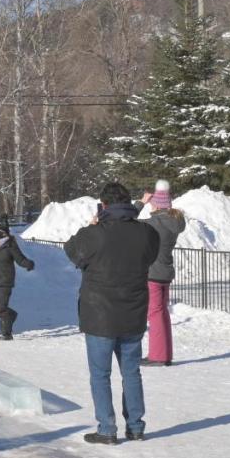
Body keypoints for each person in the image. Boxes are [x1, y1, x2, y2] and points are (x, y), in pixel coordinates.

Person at [64, 183, 160, 444]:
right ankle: (136, 426)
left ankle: (107, 428)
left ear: (103, 205)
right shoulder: (147, 233)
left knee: (100, 374)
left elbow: (72, 251)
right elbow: (150, 256)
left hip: (99, 314)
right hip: (133, 311)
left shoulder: (95, 234)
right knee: (131, 372)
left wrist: (93, 225)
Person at [141, 180, 186, 367]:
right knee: (162, 313)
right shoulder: (175, 221)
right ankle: (164, 354)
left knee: (155, 313)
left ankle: (158, 355)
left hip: (153, 272)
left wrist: (141, 203)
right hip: (165, 272)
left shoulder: (154, 223)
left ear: (157, 203)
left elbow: (125, 222)